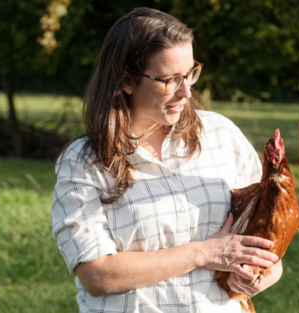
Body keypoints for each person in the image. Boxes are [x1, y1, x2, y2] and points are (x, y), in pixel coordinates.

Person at [51, 7, 282, 313]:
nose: (186, 91)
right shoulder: (85, 161)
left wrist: (256, 277)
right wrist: (203, 254)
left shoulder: (222, 135)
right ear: (127, 81)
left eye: (190, 74)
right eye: (170, 80)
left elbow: (272, 253)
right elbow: (97, 275)